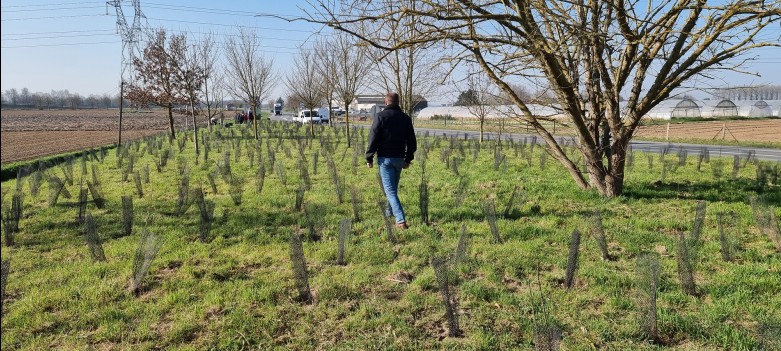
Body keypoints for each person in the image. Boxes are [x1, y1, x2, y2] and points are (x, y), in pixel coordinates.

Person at [366, 92, 417, 229]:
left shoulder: (380, 117)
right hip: (399, 159)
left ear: (386, 102)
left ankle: (400, 220)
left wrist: (369, 157)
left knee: (390, 192)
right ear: (398, 102)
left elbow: (373, 138)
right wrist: (408, 158)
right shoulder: (406, 118)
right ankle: (389, 213)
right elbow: (412, 141)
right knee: (393, 189)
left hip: (385, 160)